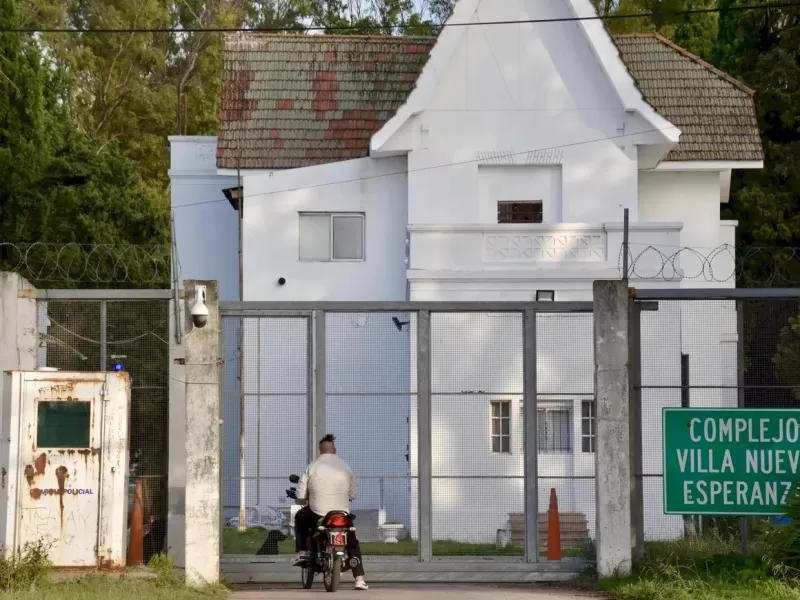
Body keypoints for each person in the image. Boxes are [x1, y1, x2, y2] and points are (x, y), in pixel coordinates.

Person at [293, 433, 369, 591]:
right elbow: (353, 494)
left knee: (300, 516)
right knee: (352, 540)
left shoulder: (312, 467)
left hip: (317, 513)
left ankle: (304, 551)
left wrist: (307, 497)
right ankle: (360, 579)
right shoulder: (346, 467)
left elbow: (300, 496)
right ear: (334, 450)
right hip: (341, 513)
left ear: (320, 451)